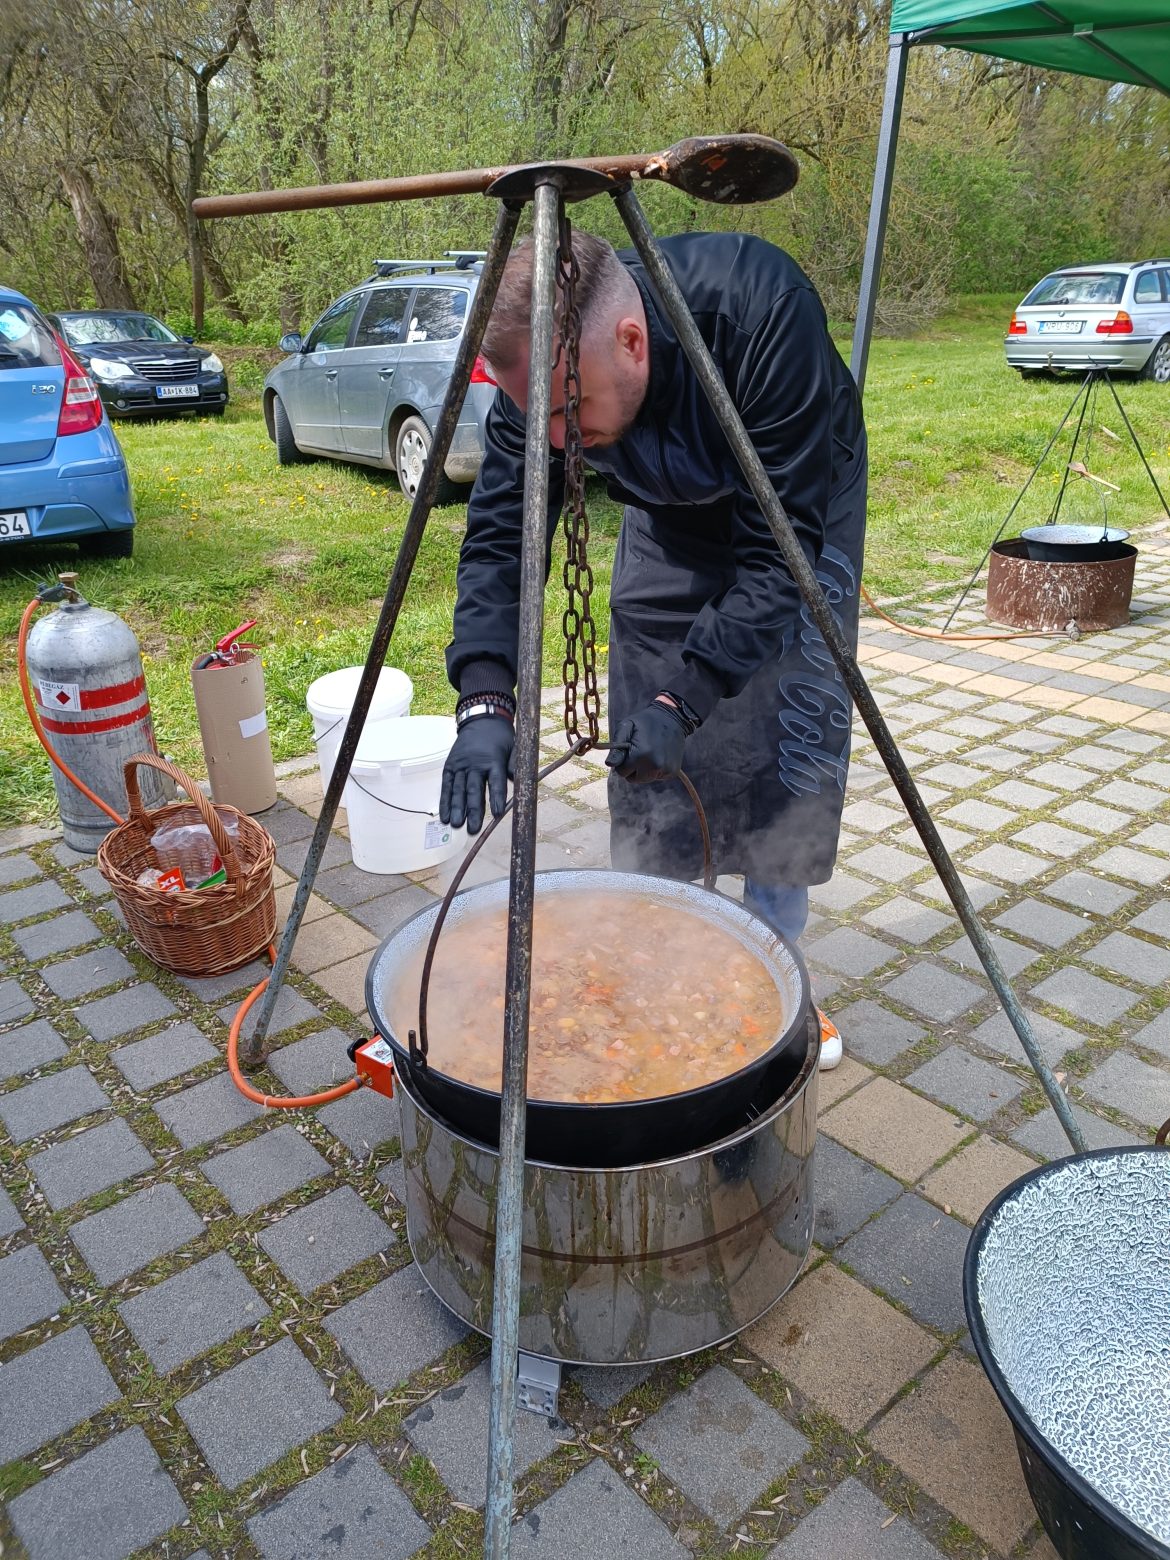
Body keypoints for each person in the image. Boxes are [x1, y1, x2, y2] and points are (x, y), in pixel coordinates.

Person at [439, 228, 867, 1069]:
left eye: (568, 415)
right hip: (665, 516)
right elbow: (500, 538)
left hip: (797, 507)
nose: (554, 440)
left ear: (631, 341)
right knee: (648, 754)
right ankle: (667, 965)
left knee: (787, 738)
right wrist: (486, 694)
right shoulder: (541, 376)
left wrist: (691, 694)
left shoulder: (760, 311)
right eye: (537, 420)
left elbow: (775, 560)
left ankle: (778, 983)